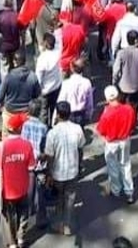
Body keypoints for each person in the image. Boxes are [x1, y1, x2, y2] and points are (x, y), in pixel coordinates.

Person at [0, 112, 36, 248]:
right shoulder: (27, 145)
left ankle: (11, 243)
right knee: (24, 212)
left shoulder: (2, 146)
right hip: (23, 188)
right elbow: (32, 166)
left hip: (6, 191)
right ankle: (21, 238)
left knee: (7, 217)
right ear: (20, 129)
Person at [43, 101, 85, 237]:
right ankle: (67, 225)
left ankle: (58, 223)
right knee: (70, 199)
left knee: (59, 198)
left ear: (58, 114)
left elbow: (49, 156)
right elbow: (80, 148)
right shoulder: (77, 129)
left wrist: (48, 174)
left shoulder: (52, 133)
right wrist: (80, 164)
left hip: (58, 173)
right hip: (73, 171)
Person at [98, 86, 136, 204]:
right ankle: (129, 192)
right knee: (126, 165)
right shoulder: (129, 109)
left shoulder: (107, 113)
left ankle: (116, 189)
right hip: (125, 140)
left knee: (113, 167)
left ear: (106, 98)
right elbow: (133, 125)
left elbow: (101, 130)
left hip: (111, 143)